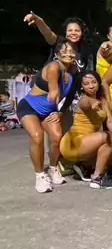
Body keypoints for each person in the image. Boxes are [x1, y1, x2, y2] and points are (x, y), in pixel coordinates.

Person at [16, 39, 78, 193]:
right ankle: (40, 176)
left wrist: (60, 112)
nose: (68, 54)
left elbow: (70, 97)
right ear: (57, 54)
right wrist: (54, 91)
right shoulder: (53, 66)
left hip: (49, 112)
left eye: (71, 51)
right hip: (29, 107)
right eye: (64, 51)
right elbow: (53, 84)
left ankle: (53, 168)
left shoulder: (73, 73)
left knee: (57, 138)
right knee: (37, 136)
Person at [59, 71, 112, 189]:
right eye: (86, 83)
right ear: (82, 87)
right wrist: (92, 104)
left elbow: (110, 122)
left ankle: (84, 166)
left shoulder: (102, 102)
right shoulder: (83, 100)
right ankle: (97, 178)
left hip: (89, 142)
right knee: (110, 136)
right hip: (73, 143)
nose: (91, 86)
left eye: (93, 82)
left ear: (98, 83)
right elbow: (86, 104)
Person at [23, 12, 95, 73]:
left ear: (82, 33)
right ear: (65, 33)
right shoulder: (58, 42)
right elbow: (48, 33)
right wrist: (38, 20)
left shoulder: (85, 51)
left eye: (77, 31)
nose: (73, 33)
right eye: (70, 30)